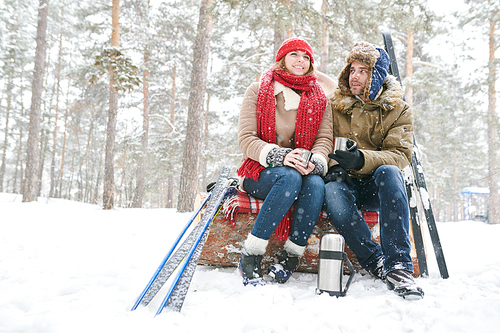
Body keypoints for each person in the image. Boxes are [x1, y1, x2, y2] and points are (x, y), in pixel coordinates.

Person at [323, 41, 424, 300]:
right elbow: (321, 141)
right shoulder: (335, 107)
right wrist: (333, 167)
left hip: (377, 186)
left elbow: (400, 155)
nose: (353, 76)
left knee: (390, 172)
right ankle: (375, 260)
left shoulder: (399, 110)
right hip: (345, 183)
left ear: (376, 75)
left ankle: (399, 266)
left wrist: (361, 160)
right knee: (332, 191)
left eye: (362, 71)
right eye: (351, 69)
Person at [237, 37, 336, 286]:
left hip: (302, 172)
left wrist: (316, 161)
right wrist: (280, 156)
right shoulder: (258, 90)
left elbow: (324, 139)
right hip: (261, 172)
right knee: (289, 176)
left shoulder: (320, 98)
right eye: (294, 55)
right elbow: (246, 139)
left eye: (306, 57)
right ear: (282, 59)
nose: (300, 61)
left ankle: (291, 255)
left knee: (315, 183)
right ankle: (251, 254)